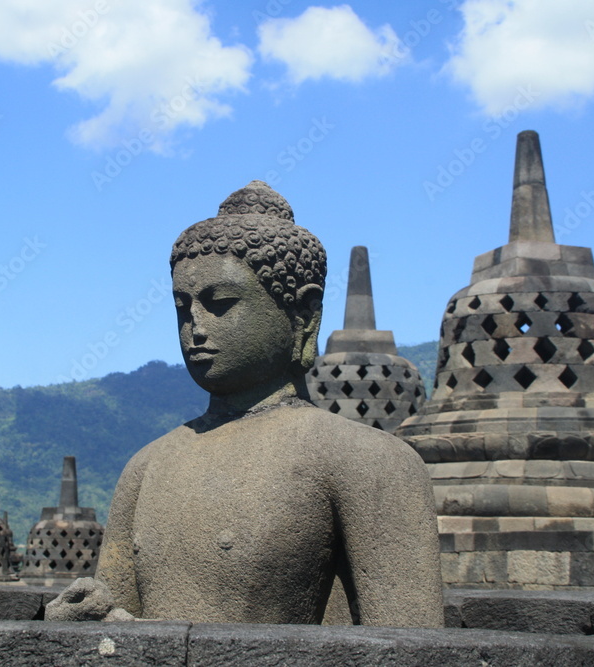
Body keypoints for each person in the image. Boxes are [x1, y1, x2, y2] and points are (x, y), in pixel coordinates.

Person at [48, 181, 443, 627]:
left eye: (221, 304)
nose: (195, 327)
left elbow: (411, 646)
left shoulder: (369, 462)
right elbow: (117, 619)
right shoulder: (146, 467)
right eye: (183, 307)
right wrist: (84, 619)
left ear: (304, 315)